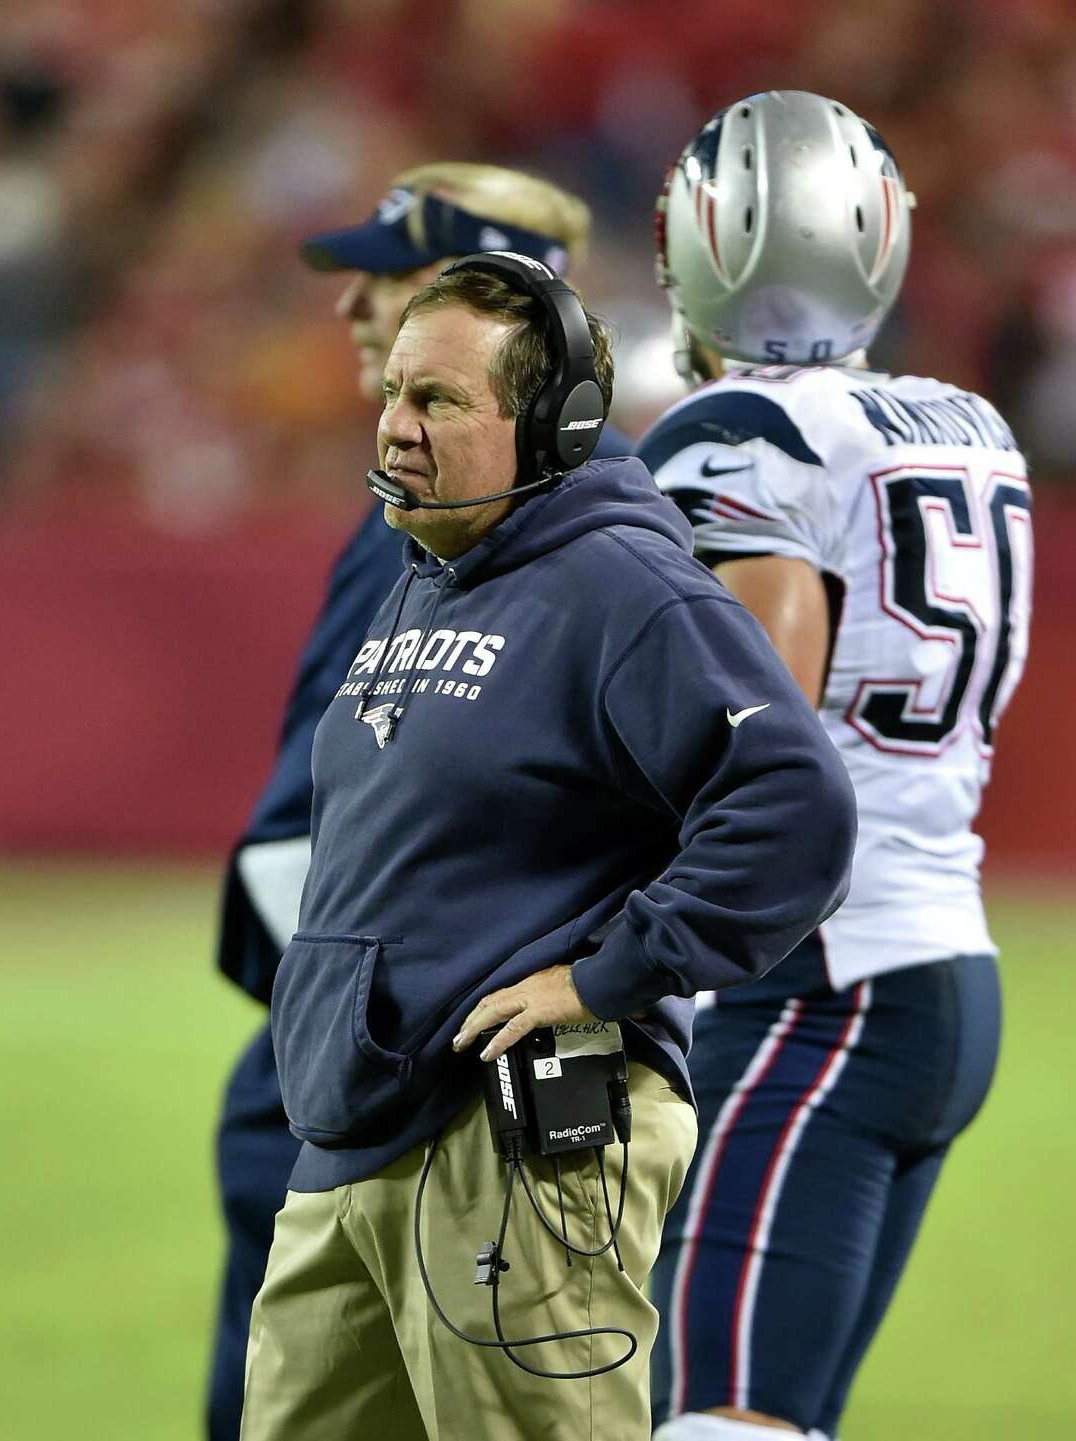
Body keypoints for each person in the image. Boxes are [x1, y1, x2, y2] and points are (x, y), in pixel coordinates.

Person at [238, 252, 856, 1441]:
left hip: (513, 1149)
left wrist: (604, 977)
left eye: (441, 401)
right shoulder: (431, 574)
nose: (398, 427)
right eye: (395, 393)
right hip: (357, 1133)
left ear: (556, 426)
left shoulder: (623, 585)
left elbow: (793, 802)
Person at [207, 163, 632, 1441]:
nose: (351, 311)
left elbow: (756, 795)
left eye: (392, 282)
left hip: (416, 1051)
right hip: (362, 1024)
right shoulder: (431, 505)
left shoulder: (557, 530)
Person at [642, 92, 1033, 1441]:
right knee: (779, 1414)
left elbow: (749, 751)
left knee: (721, 1419)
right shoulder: (965, 422)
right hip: (940, 967)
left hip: (819, 988)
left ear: (697, 245)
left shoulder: (739, 429)